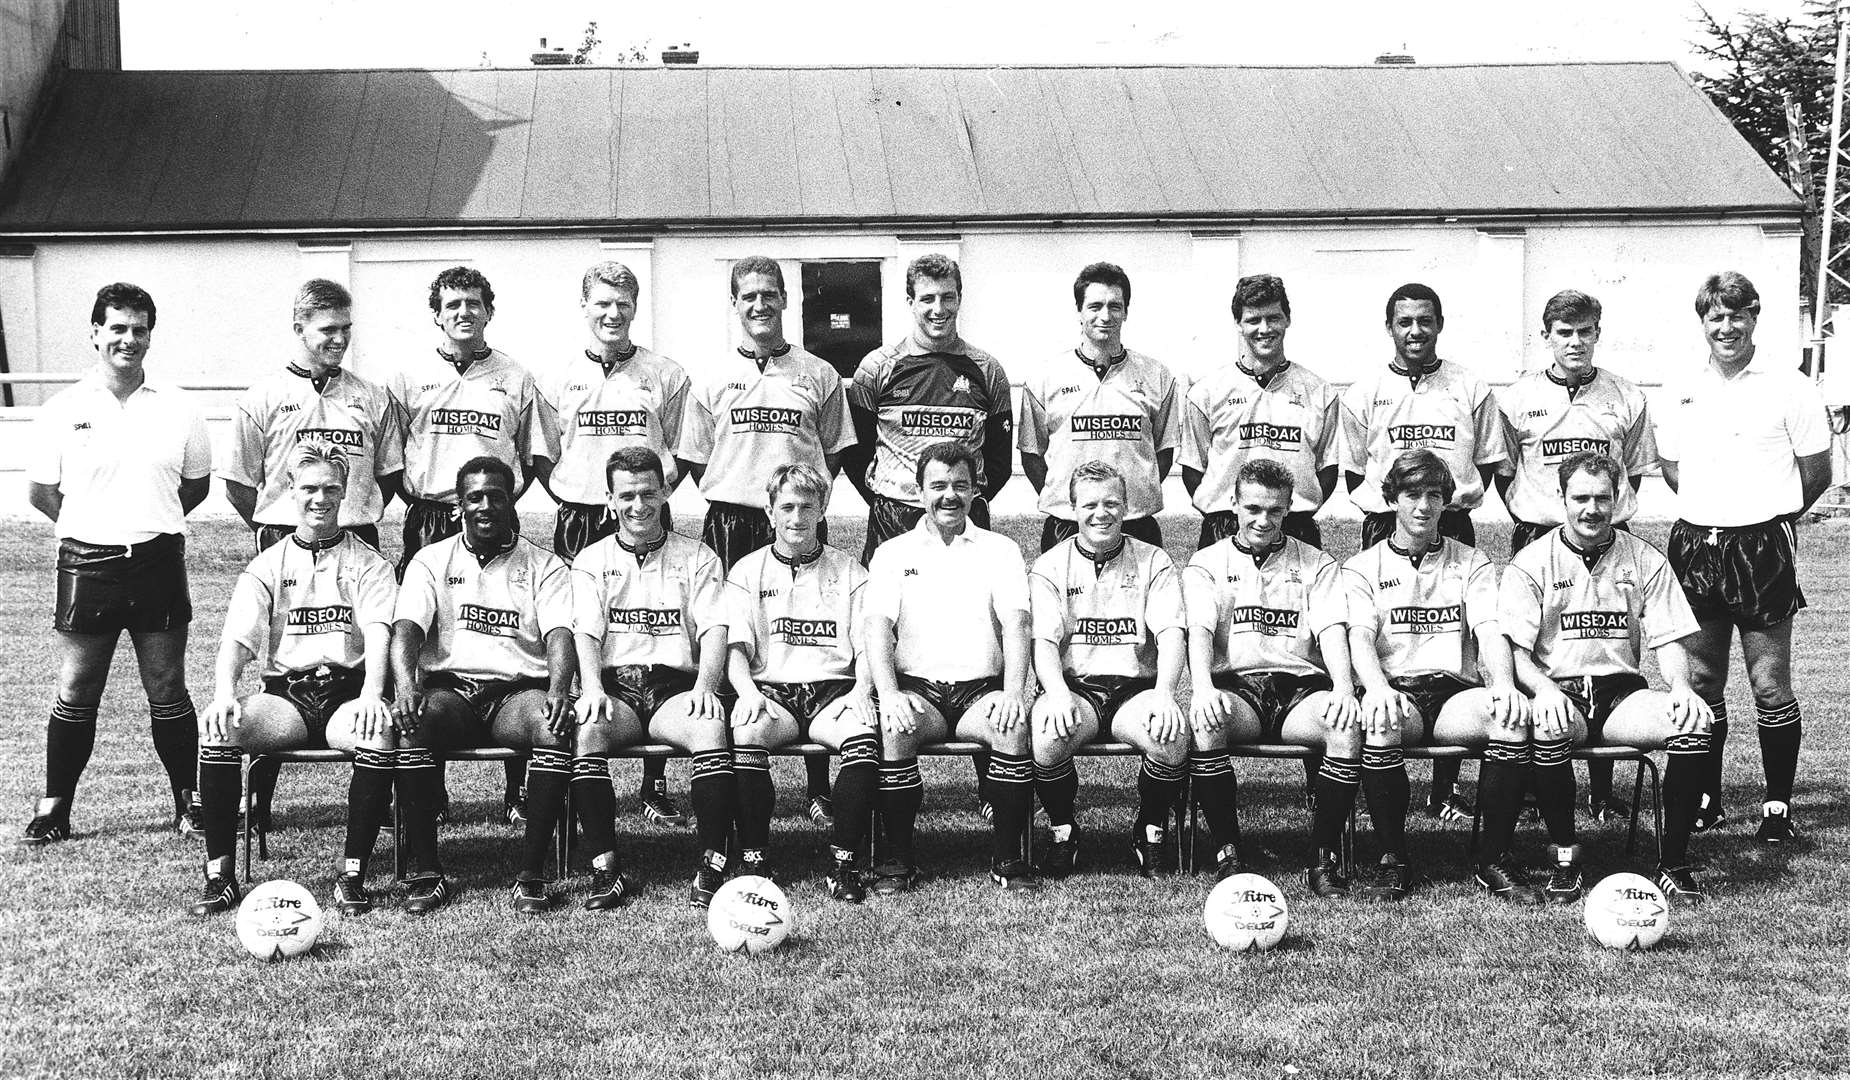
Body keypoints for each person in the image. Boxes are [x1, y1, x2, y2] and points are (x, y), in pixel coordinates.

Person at [24, 283, 212, 844]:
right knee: (78, 685)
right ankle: (55, 805)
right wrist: (95, 528)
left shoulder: (180, 407)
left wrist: (145, 523)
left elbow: (195, 487)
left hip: (157, 560)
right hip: (88, 563)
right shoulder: (64, 409)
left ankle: (190, 800)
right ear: (96, 334)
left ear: (151, 335)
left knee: (167, 685)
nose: (128, 339)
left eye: (139, 329)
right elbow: (43, 493)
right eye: (117, 328)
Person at [217, 277, 406, 834]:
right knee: (286, 659)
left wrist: (351, 511)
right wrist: (279, 518)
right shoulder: (263, 396)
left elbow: (387, 475)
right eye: (328, 330)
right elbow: (239, 483)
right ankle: (260, 798)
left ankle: (380, 794)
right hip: (284, 533)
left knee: (365, 649)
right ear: (298, 328)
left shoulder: (369, 395)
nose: (339, 340)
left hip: (355, 532)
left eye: (346, 329)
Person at [678, 255, 855, 821]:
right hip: (732, 518)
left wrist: (798, 500)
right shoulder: (708, 377)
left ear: (786, 300)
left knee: (809, 645)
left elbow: (832, 451)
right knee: (736, 640)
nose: (760, 305)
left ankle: (819, 784)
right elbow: (694, 456)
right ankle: (733, 771)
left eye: (770, 294)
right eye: (748, 295)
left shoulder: (818, 373)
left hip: (796, 517)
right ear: (734, 304)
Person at [188, 439, 397, 916]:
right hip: (288, 698)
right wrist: (224, 694)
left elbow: (379, 636)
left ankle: (353, 873)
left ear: (345, 492)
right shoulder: (267, 564)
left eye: (330, 488)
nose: (320, 499)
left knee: (380, 731)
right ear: (290, 490)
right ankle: (220, 873)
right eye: (309, 489)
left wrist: (371, 693)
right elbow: (238, 642)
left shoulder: (369, 563)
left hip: (348, 692)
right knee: (219, 728)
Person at [1658, 271, 1831, 845]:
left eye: (1737, 316)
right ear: (1703, 322)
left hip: (1762, 546)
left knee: (1769, 684)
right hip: (1696, 542)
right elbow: (1672, 466)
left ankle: (1777, 804)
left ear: (1756, 317)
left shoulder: (1790, 385)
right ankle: (1706, 797)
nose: (1726, 328)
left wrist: (1766, 515)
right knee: (1703, 679)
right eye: (1716, 318)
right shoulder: (1680, 385)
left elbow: (1817, 472)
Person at [1499, 451, 1714, 903]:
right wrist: (1542, 690)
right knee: (1548, 723)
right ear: (1561, 498)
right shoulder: (1532, 561)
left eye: (1602, 498)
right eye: (1580, 497)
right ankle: (1565, 858)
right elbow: (1516, 652)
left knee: (1694, 723)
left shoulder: (1645, 558)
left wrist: (1681, 688)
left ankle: (1673, 862)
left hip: (1621, 696)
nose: (1591, 509)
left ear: (1618, 499)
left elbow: (1670, 638)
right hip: (1561, 689)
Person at [393, 265, 559, 823]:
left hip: (490, 510)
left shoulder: (514, 376)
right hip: (432, 515)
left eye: (473, 303)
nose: (463, 312)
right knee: (432, 648)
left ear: (489, 310)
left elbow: (535, 454)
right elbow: (392, 458)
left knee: (510, 637)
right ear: (436, 313)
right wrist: (425, 499)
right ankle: (429, 790)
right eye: (451, 304)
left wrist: (499, 499)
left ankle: (519, 790)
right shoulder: (408, 375)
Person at [1338, 282, 1509, 821]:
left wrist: (1448, 496)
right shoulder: (1364, 391)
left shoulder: (1470, 386)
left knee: (1450, 642)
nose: (1415, 331)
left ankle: (1443, 789)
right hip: (1388, 518)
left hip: (1448, 514)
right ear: (1389, 326)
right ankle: (1380, 766)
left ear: (1440, 324)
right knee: (1393, 636)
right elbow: (1348, 469)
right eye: (1404, 321)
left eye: (1425, 321)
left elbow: (1485, 461)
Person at [1495, 289, 1659, 824]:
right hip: (1539, 536)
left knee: (1602, 646)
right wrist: (1538, 512)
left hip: (1604, 534)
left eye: (1584, 331)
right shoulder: (1517, 398)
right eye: (1564, 332)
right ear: (1547, 337)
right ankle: (1531, 781)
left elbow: (1629, 472)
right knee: (1541, 652)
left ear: (1597, 334)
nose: (1575, 341)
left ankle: (1601, 789)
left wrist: (1599, 511)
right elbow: (1503, 472)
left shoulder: (1625, 395)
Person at [390, 456, 580, 915]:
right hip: (452, 692)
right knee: (415, 724)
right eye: (475, 497)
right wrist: (405, 687)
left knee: (552, 726)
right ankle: (427, 872)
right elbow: (405, 631)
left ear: (512, 501)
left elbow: (560, 635)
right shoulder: (432, 559)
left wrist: (558, 688)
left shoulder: (545, 565)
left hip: (515, 693)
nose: (486, 506)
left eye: (497, 496)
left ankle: (532, 874)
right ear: (459, 504)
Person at [539, 260, 691, 829]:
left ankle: (655, 783)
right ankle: (568, 781)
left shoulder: (665, 374)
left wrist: (647, 496)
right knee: (580, 636)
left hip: (644, 510)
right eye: (602, 303)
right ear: (585, 307)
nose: (613, 313)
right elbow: (546, 452)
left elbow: (682, 448)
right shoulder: (557, 377)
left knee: (652, 630)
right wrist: (581, 488)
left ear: (635, 308)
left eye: (623, 304)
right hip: (581, 513)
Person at [1343, 450, 1530, 902]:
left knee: (1509, 718)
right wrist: (1378, 688)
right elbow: (1361, 639)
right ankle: (1394, 858)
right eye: (1412, 495)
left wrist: (1503, 683)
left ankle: (1493, 859)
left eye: (1434, 495)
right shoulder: (1362, 567)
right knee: (1381, 722)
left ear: (1447, 502)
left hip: (1453, 695)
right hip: (1396, 690)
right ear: (1392, 499)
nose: (1424, 506)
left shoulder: (1472, 561)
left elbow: (1488, 629)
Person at [863, 442, 1037, 891]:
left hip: (981, 689)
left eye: (960, 485)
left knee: (1012, 727)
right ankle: (898, 859)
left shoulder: (1001, 549)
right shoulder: (892, 553)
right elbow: (878, 630)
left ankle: (1009, 859)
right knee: (895, 728)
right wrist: (889, 693)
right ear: (919, 491)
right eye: (938, 485)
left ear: (976, 489)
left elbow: (1016, 625)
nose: (949, 496)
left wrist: (1014, 692)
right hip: (918, 690)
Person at [1184, 459, 1361, 890]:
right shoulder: (1205, 563)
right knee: (1207, 722)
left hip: (1299, 689)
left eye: (1275, 511)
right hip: (1239, 688)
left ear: (1289, 509)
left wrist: (1342, 686)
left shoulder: (1318, 564)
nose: (1264, 520)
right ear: (1234, 505)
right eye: (1253, 509)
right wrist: (1203, 687)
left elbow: (1333, 631)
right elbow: (1201, 632)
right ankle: (1228, 851)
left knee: (1345, 726)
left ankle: (1323, 857)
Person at [571, 447, 736, 908]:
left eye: (648, 493)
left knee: (708, 726)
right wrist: (592, 689)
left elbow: (715, 629)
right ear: (609, 498)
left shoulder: (698, 556)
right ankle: (607, 869)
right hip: (616, 685)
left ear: (666, 492)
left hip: (673, 686)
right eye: (626, 495)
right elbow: (587, 631)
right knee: (588, 731)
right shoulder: (591, 559)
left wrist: (705, 687)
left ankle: (712, 865)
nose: (638, 505)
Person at [722, 463, 880, 901]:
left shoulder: (850, 571)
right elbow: (736, 650)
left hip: (833, 690)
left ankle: (843, 863)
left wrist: (861, 690)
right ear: (769, 512)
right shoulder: (747, 571)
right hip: (772, 690)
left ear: (822, 509)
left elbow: (867, 646)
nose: (796, 517)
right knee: (748, 731)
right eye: (786, 507)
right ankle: (755, 859)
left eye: (806, 507)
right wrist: (749, 693)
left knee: (863, 735)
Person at [1027, 460, 1189, 877]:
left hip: (1136, 689)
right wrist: (1057, 694)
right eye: (1091, 504)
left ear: (1127, 506)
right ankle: (1063, 831)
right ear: (1073, 508)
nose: (1102, 513)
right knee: (1047, 734)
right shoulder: (1050, 565)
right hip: (1076, 687)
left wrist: (1165, 694)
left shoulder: (1155, 561)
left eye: (1112, 503)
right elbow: (1043, 642)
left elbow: (1172, 634)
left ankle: (1149, 828)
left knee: (1169, 737)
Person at [844, 253, 1014, 565]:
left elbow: (1000, 462)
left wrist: (961, 500)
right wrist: (887, 500)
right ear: (910, 301)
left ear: (959, 299)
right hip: (894, 518)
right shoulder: (876, 368)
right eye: (927, 299)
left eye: (947, 297)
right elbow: (855, 456)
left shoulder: (988, 370)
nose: (938, 309)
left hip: (963, 515)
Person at [1017, 262, 1181, 552]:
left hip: (1135, 521)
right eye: (1095, 306)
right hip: (1068, 523)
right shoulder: (1046, 377)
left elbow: (1163, 452)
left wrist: (1133, 494)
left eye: (1115, 306)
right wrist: (1070, 501)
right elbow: (1032, 454)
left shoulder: (1157, 375)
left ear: (1126, 311)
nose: (1105, 316)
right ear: (1079, 311)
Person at [1180, 273, 1340, 548]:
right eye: (1253, 320)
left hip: (1295, 525)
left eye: (1273, 318)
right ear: (1238, 324)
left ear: (1287, 320)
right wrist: (1231, 509)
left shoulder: (1319, 392)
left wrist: (1291, 509)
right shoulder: (1207, 391)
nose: (1264, 328)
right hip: (1226, 524)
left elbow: (1328, 470)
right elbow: (1193, 470)